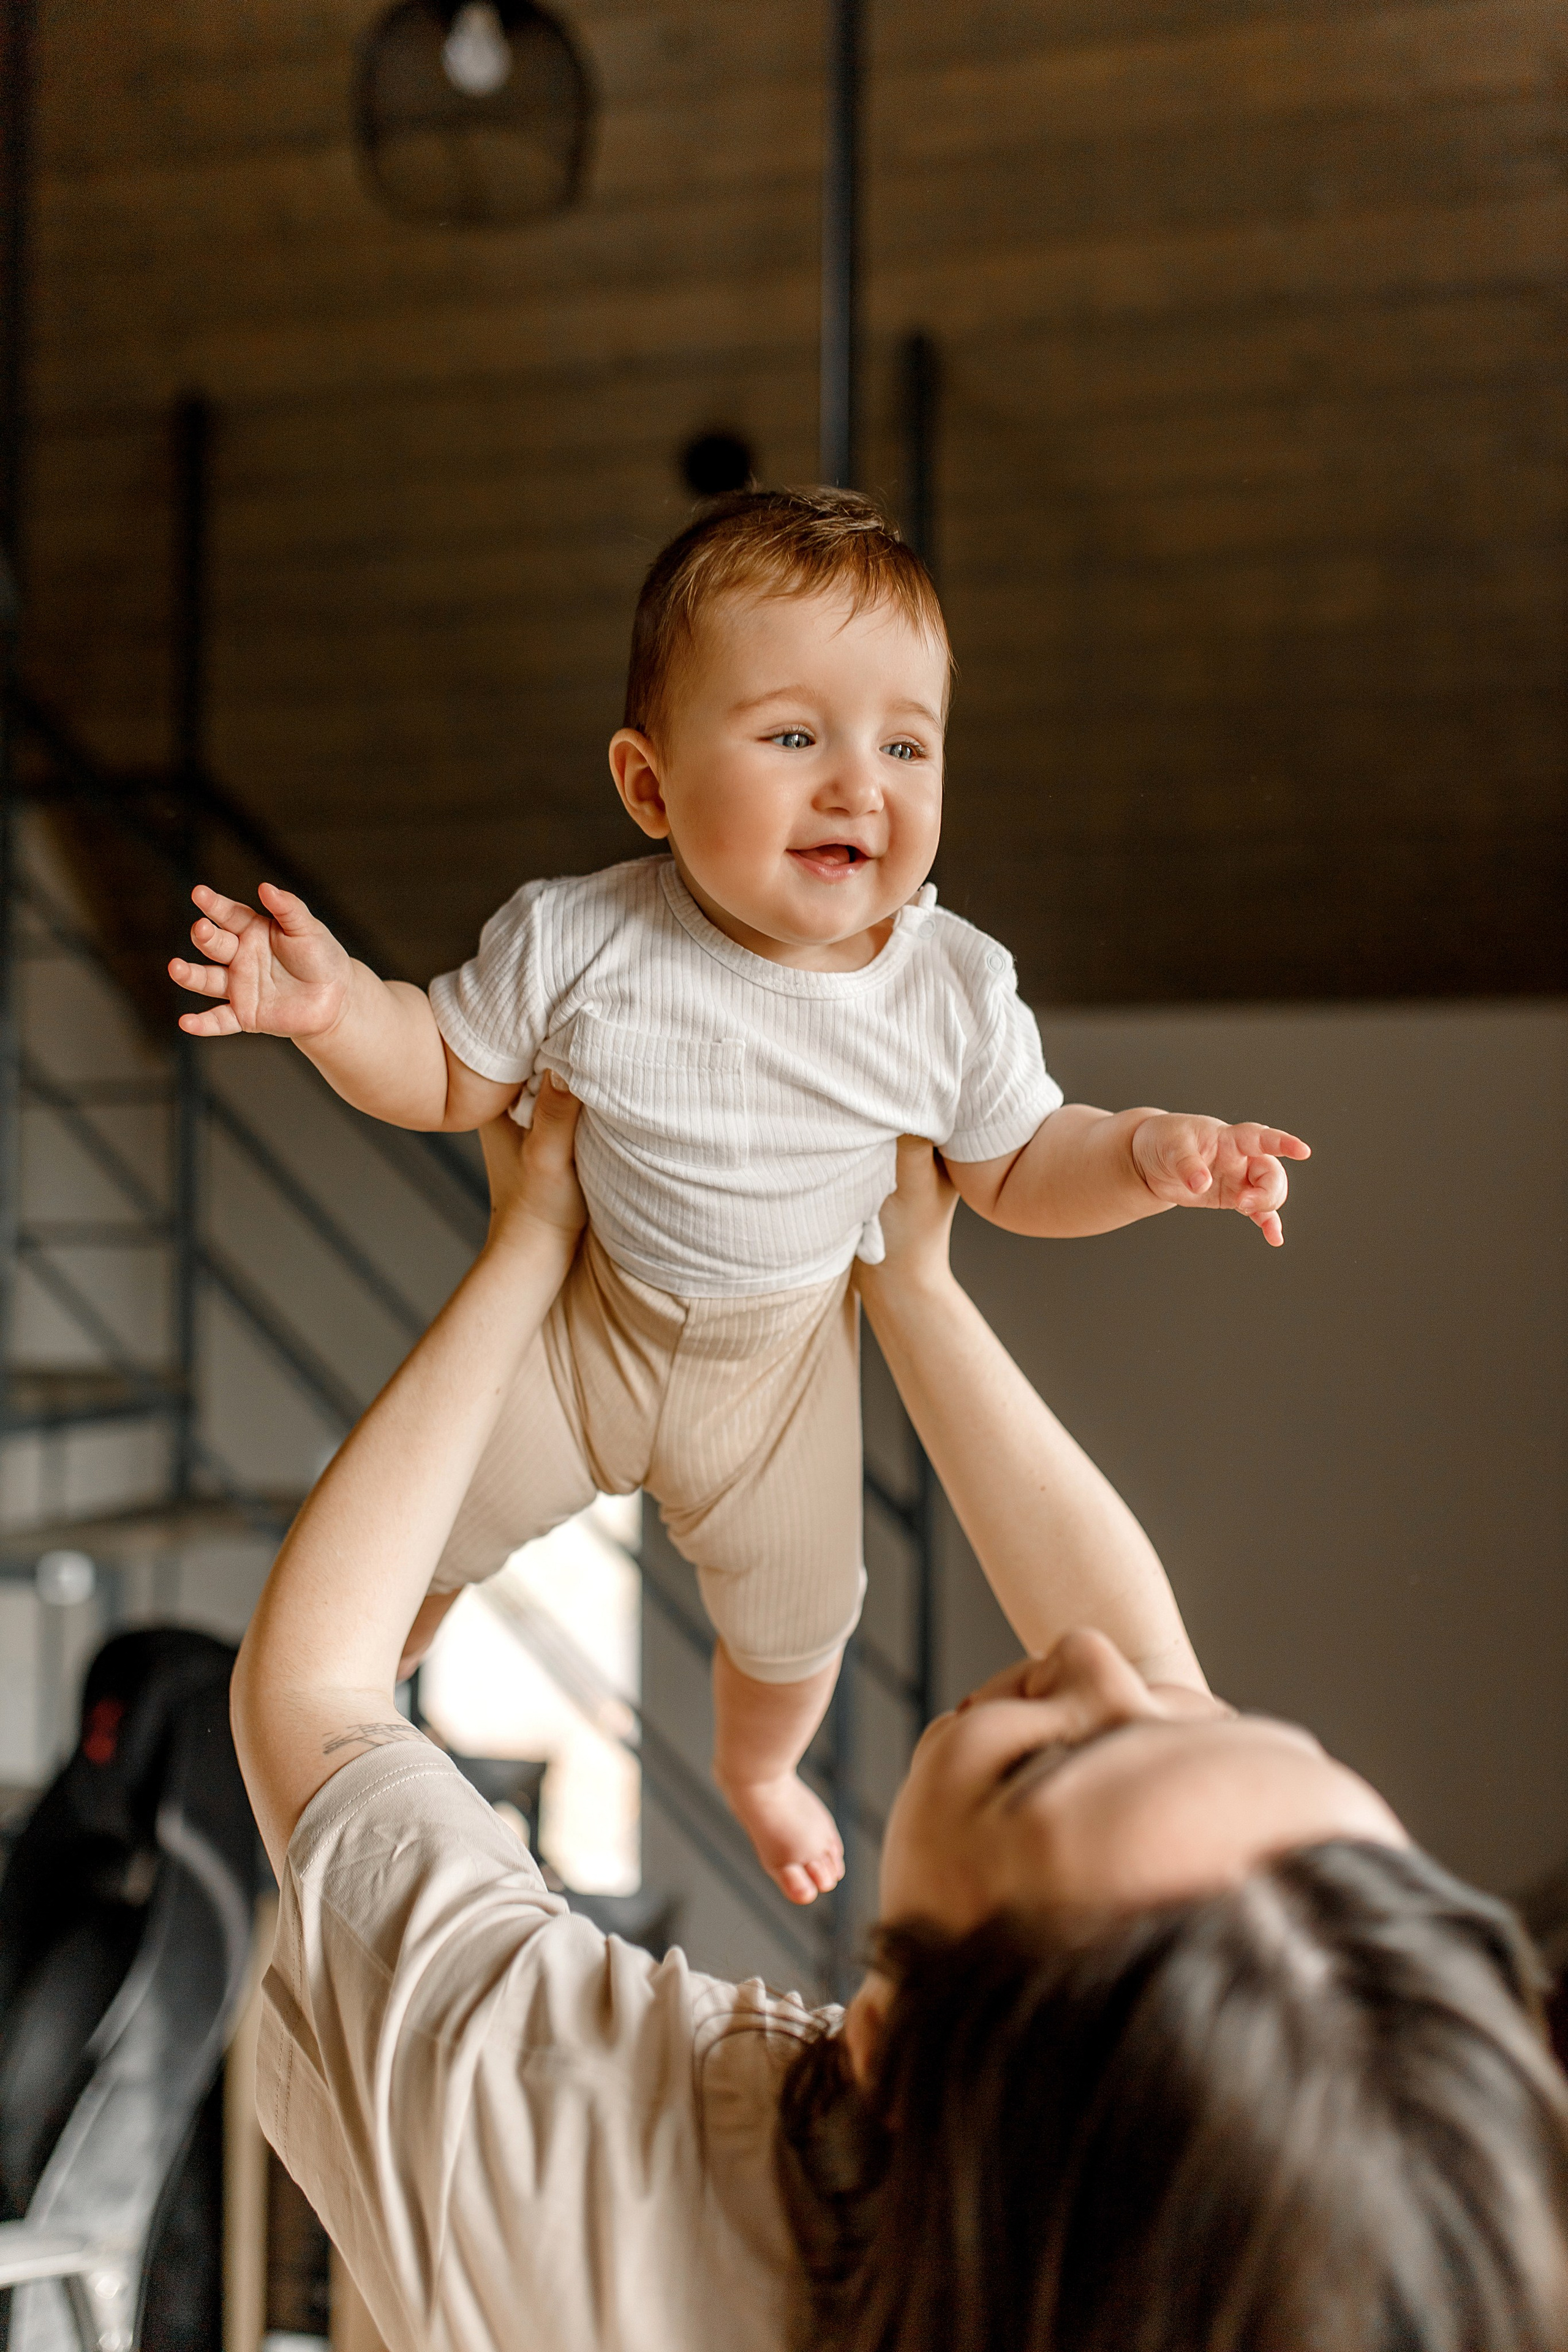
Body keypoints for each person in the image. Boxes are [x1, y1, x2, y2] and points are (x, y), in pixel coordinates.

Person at [233, 1084, 1568, 2352]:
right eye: (1231, 1728)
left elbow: (317, 1694)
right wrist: (912, 1288)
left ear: (889, 2043)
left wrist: (525, 1247)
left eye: (1050, 1760)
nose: (1095, 1657)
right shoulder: (1155, 2229)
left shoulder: (559, 2149)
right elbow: (1148, 1723)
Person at [177, 490, 1309, 1906]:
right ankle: (357, 1692)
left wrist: (1142, 1155)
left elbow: (1015, 1166)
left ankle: (754, 1773)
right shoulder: (579, 936)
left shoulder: (946, 985)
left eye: (905, 744)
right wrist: (338, 1011)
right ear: (648, 788)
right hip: (583, 1341)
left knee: (798, 1626)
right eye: (793, 737)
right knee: (429, 1529)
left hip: (775, 1379)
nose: (858, 785)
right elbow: (449, 1074)